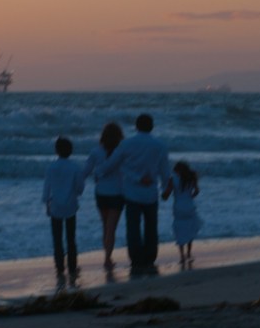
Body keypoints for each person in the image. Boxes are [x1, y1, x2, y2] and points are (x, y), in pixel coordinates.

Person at [97, 113, 170, 271]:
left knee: (133, 228)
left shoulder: (127, 144)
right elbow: (165, 170)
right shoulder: (160, 145)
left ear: (136, 126)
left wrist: (99, 172)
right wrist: (165, 189)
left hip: (132, 193)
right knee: (151, 227)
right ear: (152, 127)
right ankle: (150, 257)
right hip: (151, 193)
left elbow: (112, 163)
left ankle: (136, 259)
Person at [81, 122, 125, 269]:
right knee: (111, 228)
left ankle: (107, 257)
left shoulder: (95, 151)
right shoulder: (121, 152)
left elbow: (85, 171)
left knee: (105, 227)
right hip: (117, 193)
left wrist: (73, 185)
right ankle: (107, 258)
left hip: (101, 193)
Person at [42, 136, 85, 277]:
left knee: (57, 238)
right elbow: (80, 188)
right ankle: (72, 266)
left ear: (56, 151)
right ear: (70, 151)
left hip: (55, 206)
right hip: (71, 205)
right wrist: (75, 193)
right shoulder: (75, 167)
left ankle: (59, 266)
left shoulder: (52, 167)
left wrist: (46, 203)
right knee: (71, 238)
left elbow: (47, 188)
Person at [161, 160, 202, 264]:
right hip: (189, 205)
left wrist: (162, 195)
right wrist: (190, 197)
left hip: (178, 206)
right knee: (189, 228)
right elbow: (197, 191)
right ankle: (189, 253)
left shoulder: (173, 179)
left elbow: (166, 195)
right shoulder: (191, 178)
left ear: (177, 170)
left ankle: (182, 256)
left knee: (180, 229)